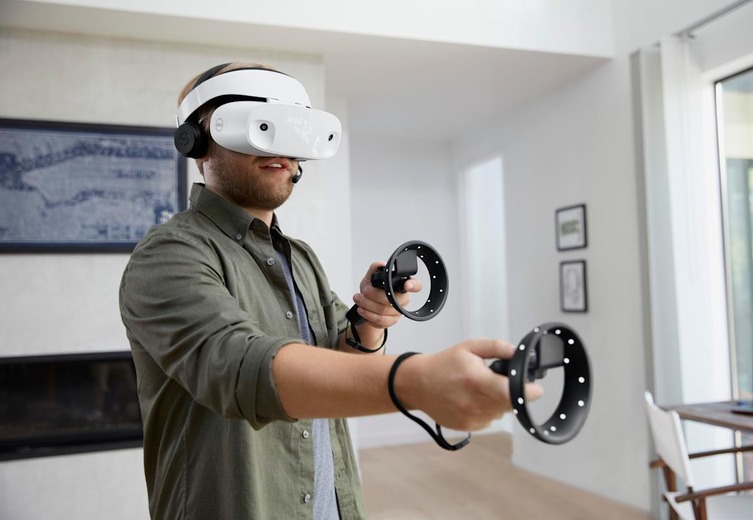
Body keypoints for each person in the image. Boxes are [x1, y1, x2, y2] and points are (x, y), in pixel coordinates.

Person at [119, 62, 542, 520]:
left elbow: (343, 359)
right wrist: (416, 381)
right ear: (196, 142)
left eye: (290, 128)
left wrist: (369, 323)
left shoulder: (299, 257)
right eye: (258, 126)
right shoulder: (169, 254)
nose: (280, 147)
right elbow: (236, 369)